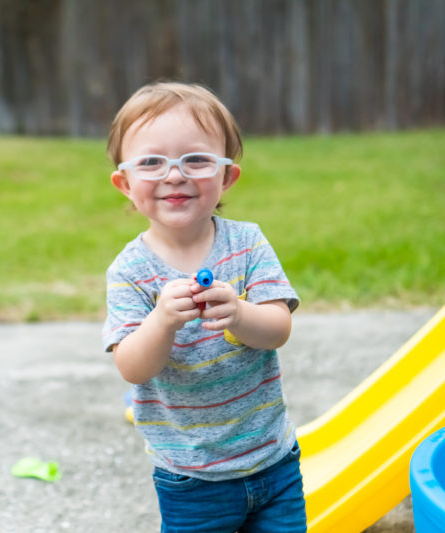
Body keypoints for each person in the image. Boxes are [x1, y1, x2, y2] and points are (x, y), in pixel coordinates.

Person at [102, 81, 306, 532]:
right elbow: (133, 366)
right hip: (191, 477)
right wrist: (162, 321)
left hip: (273, 462)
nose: (175, 175)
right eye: (152, 162)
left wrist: (238, 313)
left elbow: (278, 328)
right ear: (125, 183)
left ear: (226, 176)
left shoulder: (247, 243)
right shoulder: (130, 271)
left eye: (195, 159)